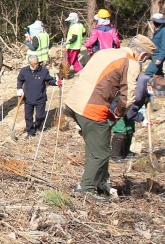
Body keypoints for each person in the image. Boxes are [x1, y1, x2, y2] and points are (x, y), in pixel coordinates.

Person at [65, 35, 156, 200]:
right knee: (101, 152)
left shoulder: (105, 52)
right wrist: (119, 113)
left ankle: (100, 181)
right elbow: (128, 95)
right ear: (142, 55)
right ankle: (86, 188)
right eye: (146, 58)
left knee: (97, 145)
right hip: (92, 107)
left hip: (74, 101)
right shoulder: (131, 62)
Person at [110, 73, 153, 162]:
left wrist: (147, 99)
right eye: (148, 85)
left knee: (130, 131)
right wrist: (142, 119)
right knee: (121, 133)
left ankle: (126, 152)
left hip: (127, 112)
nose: (150, 88)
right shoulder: (134, 92)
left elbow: (134, 109)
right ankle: (115, 155)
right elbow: (129, 112)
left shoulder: (143, 92)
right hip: (116, 111)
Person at [16, 55, 62, 138]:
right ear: (30, 63)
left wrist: (56, 82)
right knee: (28, 116)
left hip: (40, 98)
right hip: (28, 98)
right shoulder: (24, 71)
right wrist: (19, 89)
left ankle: (37, 126)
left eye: (38, 63)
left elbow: (49, 80)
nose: (37, 65)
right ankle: (30, 132)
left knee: (40, 116)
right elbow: (20, 80)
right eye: (34, 64)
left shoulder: (43, 71)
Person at [146, 12, 165, 77]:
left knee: (148, 72)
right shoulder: (157, 30)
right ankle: (161, 86)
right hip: (155, 55)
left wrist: (160, 58)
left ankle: (148, 87)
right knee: (158, 72)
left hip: (158, 56)